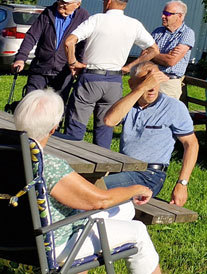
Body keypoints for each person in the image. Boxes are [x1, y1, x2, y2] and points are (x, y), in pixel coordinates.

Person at [14, 89, 162, 274]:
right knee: (138, 231)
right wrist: (137, 189)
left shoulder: (9, 158)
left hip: (15, 238)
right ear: (53, 128)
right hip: (55, 244)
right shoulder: (48, 166)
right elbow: (100, 201)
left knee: (126, 208)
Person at [62, 0, 156, 148]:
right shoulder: (134, 24)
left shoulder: (97, 19)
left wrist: (73, 62)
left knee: (76, 125)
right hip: (114, 81)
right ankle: (101, 162)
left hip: (91, 78)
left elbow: (69, 41)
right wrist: (130, 66)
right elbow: (154, 50)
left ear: (109, 1)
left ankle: (70, 158)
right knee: (106, 125)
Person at [102, 63, 198, 206]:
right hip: (122, 168)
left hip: (149, 175)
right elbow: (109, 120)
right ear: (132, 84)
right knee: (79, 185)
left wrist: (182, 183)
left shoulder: (173, 107)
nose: (152, 88)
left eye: (155, 81)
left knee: (96, 189)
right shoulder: (129, 104)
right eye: (147, 82)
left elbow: (191, 144)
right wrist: (141, 88)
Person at [12, 0, 90, 100]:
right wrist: (20, 58)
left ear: (77, 4)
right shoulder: (48, 12)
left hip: (64, 71)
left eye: (66, 3)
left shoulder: (83, 17)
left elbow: (83, 45)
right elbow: (32, 36)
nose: (61, 4)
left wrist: (78, 64)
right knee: (30, 102)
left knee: (58, 107)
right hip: (40, 67)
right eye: (60, 0)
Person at [128, 0, 196, 99]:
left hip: (168, 82)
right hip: (149, 79)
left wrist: (152, 53)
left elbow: (171, 61)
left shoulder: (187, 33)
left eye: (167, 14)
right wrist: (163, 55)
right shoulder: (157, 32)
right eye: (163, 13)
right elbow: (143, 55)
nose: (162, 16)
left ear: (180, 16)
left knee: (164, 108)